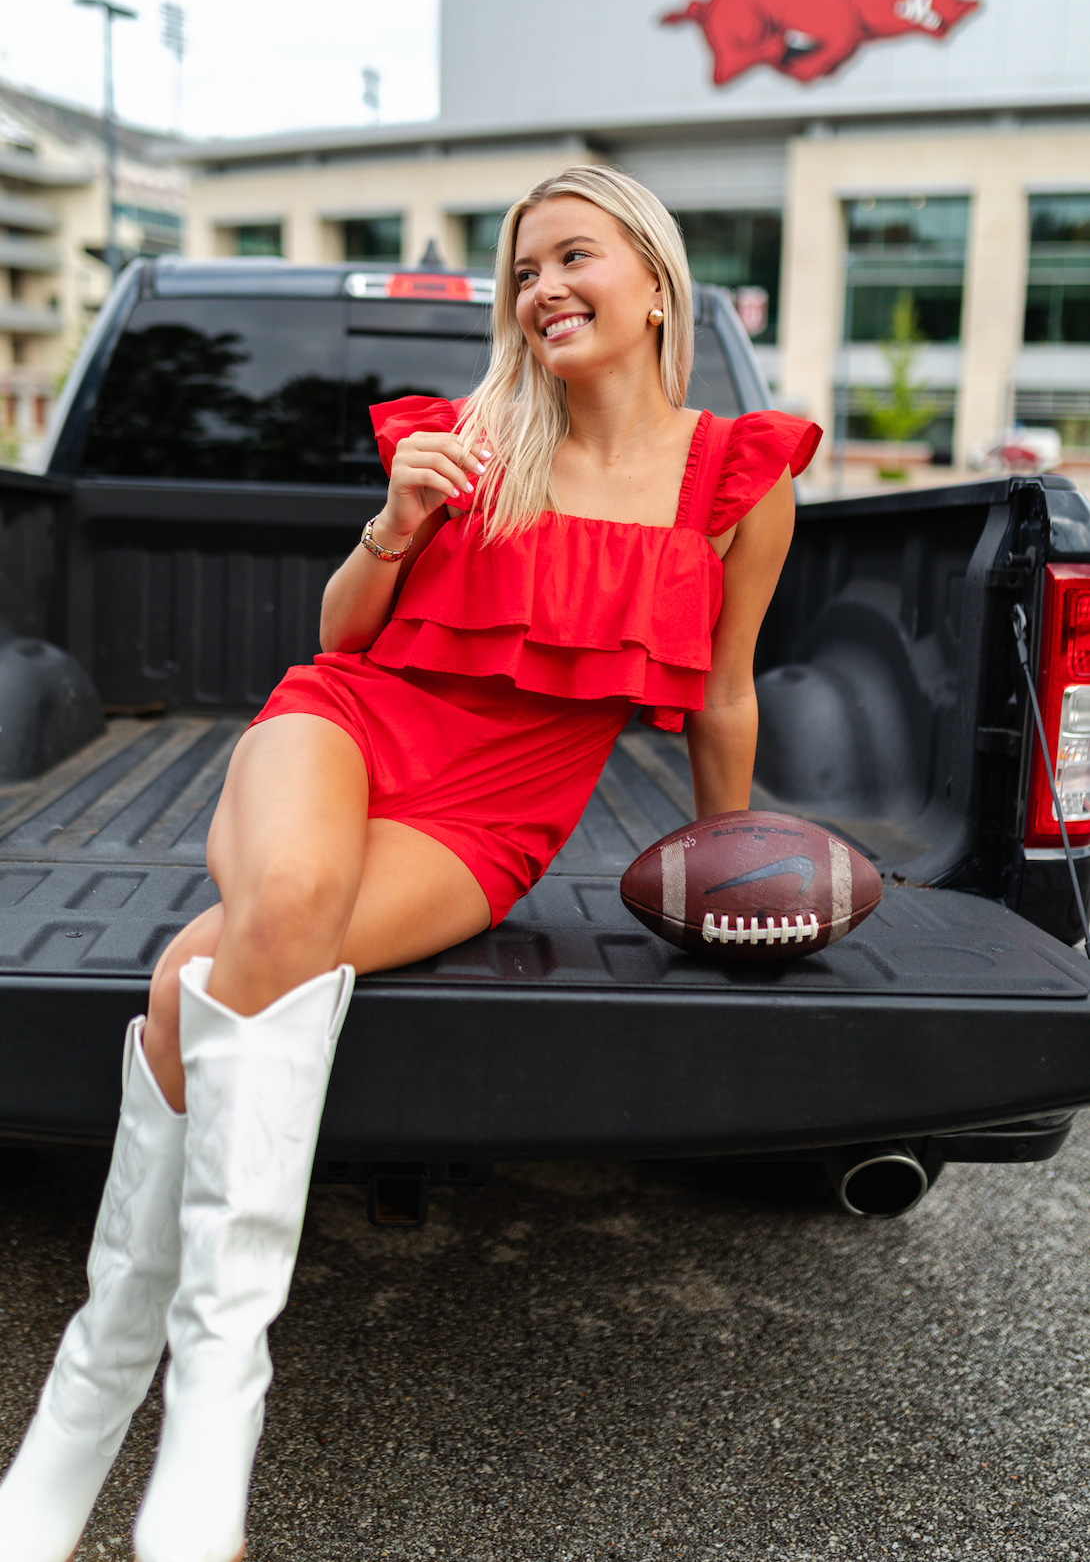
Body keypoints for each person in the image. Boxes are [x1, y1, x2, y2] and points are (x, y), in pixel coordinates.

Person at [0, 165, 820, 1562]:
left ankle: (89, 1397)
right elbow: (341, 633)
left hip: (491, 818)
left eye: (574, 255)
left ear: (654, 278)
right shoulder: (470, 437)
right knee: (290, 902)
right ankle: (212, 1417)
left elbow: (726, 693)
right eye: (523, 270)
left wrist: (717, 852)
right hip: (340, 727)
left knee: (195, 972)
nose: (543, 287)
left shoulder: (736, 483)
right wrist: (394, 518)